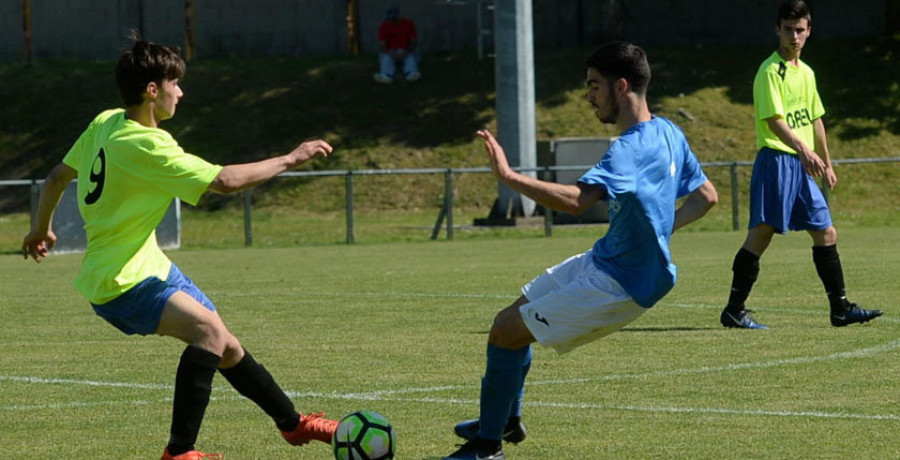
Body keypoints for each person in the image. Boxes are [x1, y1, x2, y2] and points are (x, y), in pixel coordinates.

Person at [21, 37, 339, 460]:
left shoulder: (107, 121)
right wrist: (290, 158)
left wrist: (40, 230)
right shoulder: (146, 144)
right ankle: (180, 453)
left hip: (148, 265)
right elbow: (224, 182)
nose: (181, 92)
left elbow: (57, 176)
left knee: (225, 343)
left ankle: (294, 426)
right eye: (175, 83)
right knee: (208, 333)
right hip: (121, 280)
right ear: (153, 90)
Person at [442, 41, 719, 460]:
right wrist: (660, 233)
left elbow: (575, 201)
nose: (588, 96)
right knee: (509, 320)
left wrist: (509, 176)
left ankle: (487, 447)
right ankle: (506, 419)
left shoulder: (627, 150)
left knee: (504, 334)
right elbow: (707, 198)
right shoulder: (668, 132)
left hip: (618, 284)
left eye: (594, 86)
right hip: (605, 258)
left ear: (620, 86)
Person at [719, 0, 882, 330]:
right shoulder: (769, 71)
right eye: (789, 29)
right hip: (777, 160)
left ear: (809, 31)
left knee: (826, 232)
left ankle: (840, 309)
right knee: (761, 234)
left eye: (800, 30)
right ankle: (734, 309)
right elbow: (774, 120)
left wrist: (828, 161)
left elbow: (816, 119)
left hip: (802, 163)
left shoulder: (806, 73)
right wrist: (804, 151)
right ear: (777, 30)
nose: (794, 36)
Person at [373, 5, 421, 84]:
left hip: (406, 50)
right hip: (390, 51)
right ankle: (386, 75)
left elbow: (413, 41)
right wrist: (390, 52)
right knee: (386, 59)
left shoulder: (408, 24)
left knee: (410, 58)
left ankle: (411, 74)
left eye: (393, 19)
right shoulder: (384, 26)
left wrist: (406, 51)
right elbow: (382, 44)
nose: (391, 21)